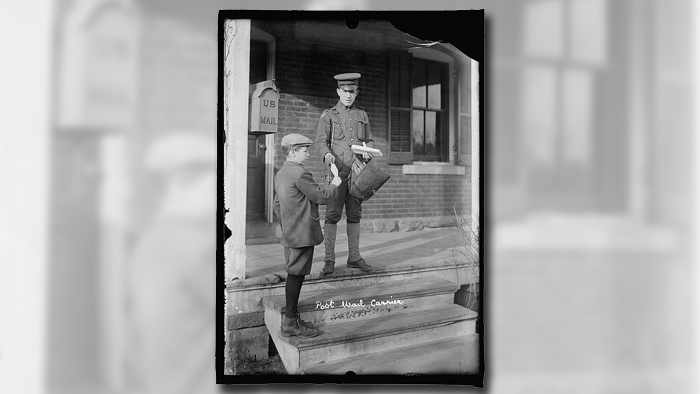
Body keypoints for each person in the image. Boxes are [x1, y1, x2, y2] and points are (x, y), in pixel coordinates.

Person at [126, 131, 219, 393]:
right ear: (180, 187)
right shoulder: (195, 245)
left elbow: (134, 333)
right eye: (211, 187)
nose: (215, 198)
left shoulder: (150, 240)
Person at [274, 133, 341, 338]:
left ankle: (292, 319)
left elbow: (277, 205)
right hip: (302, 233)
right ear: (293, 152)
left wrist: (286, 226)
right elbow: (320, 196)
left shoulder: (280, 174)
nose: (309, 154)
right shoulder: (300, 173)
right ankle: (290, 324)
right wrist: (335, 184)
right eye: (305, 150)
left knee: (295, 274)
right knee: (295, 276)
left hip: (290, 232)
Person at [314, 72, 376, 275]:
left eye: (353, 91)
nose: (349, 95)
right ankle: (329, 260)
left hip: (357, 174)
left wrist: (368, 154)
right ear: (338, 91)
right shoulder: (328, 115)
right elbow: (320, 142)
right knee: (332, 216)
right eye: (345, 91)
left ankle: (354, 257)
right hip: (337, 175)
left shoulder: (362, 115)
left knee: (355, 216)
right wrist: (327, 155)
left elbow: (370, 141)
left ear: (357, 92)